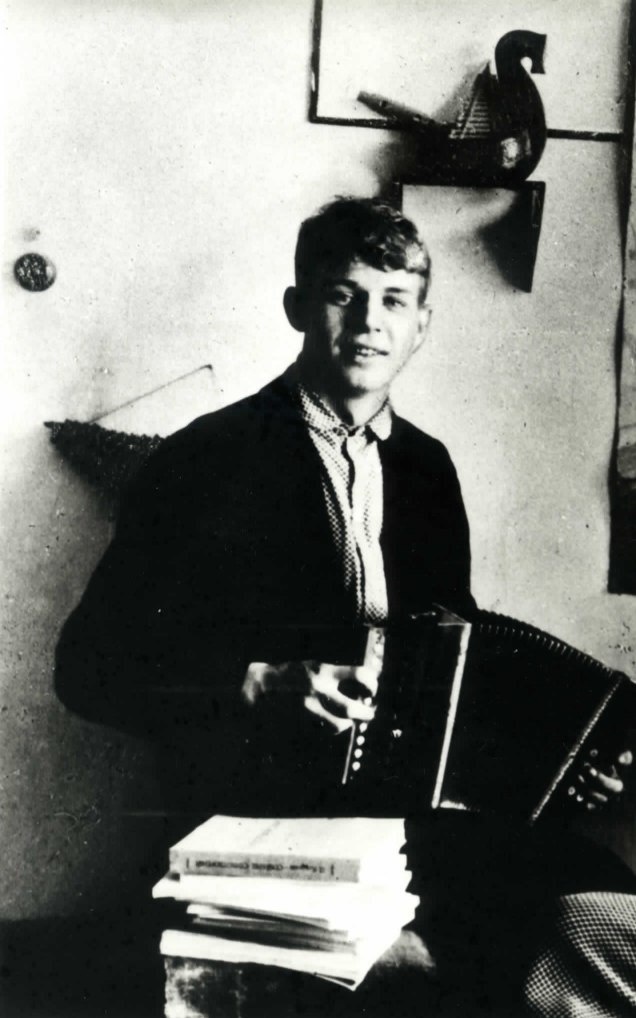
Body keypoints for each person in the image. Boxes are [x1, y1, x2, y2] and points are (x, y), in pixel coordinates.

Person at [55, 197, 636, 1016]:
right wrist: (252, 682)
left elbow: (456, 666)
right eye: (344, 294)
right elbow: (86, 670)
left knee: (611, 911)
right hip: (264, 821)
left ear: (422, 326)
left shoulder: (428, 468)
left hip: (412, 823)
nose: (370, 321)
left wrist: (568, 762)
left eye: (394, 300)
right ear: (299, 307)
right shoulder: (205, 460)